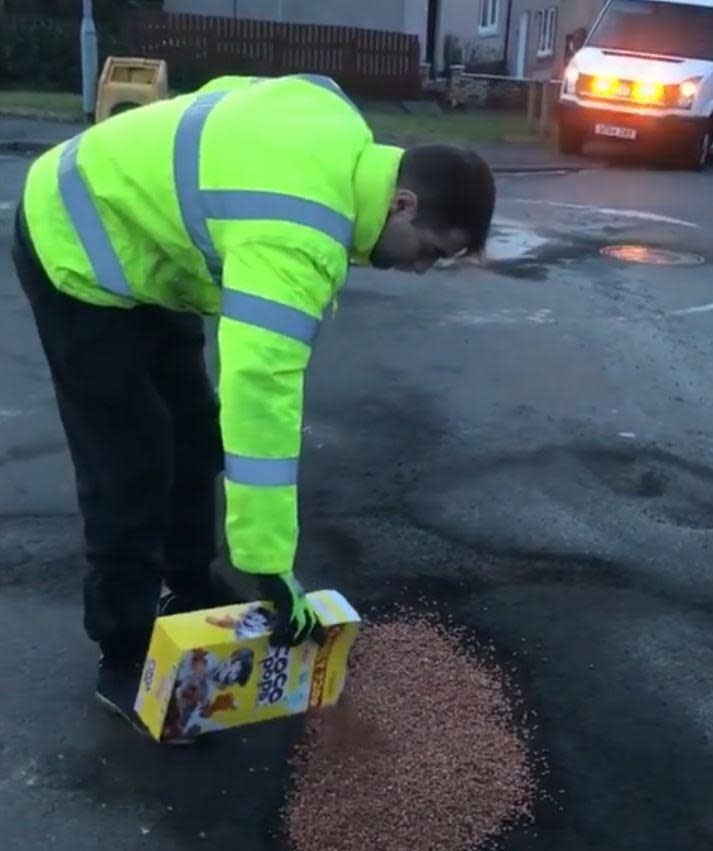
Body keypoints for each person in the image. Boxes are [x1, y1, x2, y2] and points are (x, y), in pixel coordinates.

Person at [11, 72, 495, 739]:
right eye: (430, 254)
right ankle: (123, 655)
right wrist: (269, 565)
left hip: (148, 247)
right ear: (403, 204)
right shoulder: (299, 235)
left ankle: (190, 586)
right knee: (129, 459)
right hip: (74, 241)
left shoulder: (337, 119)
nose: (420, 270)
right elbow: (260, 395)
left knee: (191, 432)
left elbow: (235, 94)